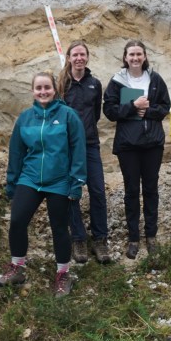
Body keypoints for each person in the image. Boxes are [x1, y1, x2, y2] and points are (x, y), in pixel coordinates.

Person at [0, 72, 87, 296]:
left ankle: (63, 274)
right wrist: (12, 182)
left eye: (47, 87)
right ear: (32, 91)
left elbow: (78, 151)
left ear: (55, 90)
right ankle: (17, 268)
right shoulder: (25, 118)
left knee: (59, 228)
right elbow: (16, 152)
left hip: (59, 180)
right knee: (17, 220)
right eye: (39, 88)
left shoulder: (68, 115)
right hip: (30, 178)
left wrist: (76, 182)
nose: (43, 92)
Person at [102, 40, 171, 259]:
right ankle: (133, 238)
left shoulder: (155, 78)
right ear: (125, 57)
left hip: (152, 143)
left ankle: (151, 235)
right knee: (132, 191)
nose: (135, 58)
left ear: (144, 56)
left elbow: (165, 107)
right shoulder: (117, 81)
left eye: (138, 54)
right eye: (131, 54)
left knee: (151, 189)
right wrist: (132, 106)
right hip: (127, 145)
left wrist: (147, 110)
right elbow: (109, 111)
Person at [57, 41, 111, 264]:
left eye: (83, 54)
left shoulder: (95, 84)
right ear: (69, 58)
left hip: (90, 144)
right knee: (72, 192)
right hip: (68, 147)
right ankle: (78, 239)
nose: (79, 58)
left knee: (97, 190)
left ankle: (100, 239)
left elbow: (96, 114)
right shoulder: (60, 84)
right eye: (75, 54)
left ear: (87, 58)